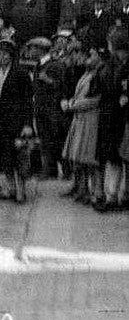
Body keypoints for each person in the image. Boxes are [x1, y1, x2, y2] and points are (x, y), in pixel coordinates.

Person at [0, 38, 34, 201]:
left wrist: (27, 124)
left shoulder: (21, 74)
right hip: (0, 124)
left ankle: (21, 190)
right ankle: (11, 188)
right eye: (0, 54)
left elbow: (28, 100)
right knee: (4, 158)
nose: (3, 57)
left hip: (16, 122)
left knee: (19, 158)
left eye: (6, 54)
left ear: (12, 56)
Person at [61, 47, 104, 204]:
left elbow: (96, 99)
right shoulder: (87, 73)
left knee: (90, 159)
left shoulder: (98, 75)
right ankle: (82, 189)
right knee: (79, 158)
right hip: (81, 120)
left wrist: (73, 104)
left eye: (91, 55)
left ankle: (96, 192)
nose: (87, 58)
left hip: (91, 120)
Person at [92, 29, 129, 212]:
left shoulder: (118, 66)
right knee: (113, 157)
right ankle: (112, 196)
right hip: (111, 116)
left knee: (120, 158)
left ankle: (117, 196)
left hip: (121, 117)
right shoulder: (110, 65)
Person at [35, 34, 71, 179]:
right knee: (45, 138)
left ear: (41, 50)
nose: (31, 52)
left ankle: (66, 170)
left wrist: (48, 80)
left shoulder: (55, 65)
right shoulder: (41, 64)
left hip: (52, 108)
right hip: (42, 107)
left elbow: (62, 86)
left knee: (56, 139)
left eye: (34, 48)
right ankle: (50, 169)